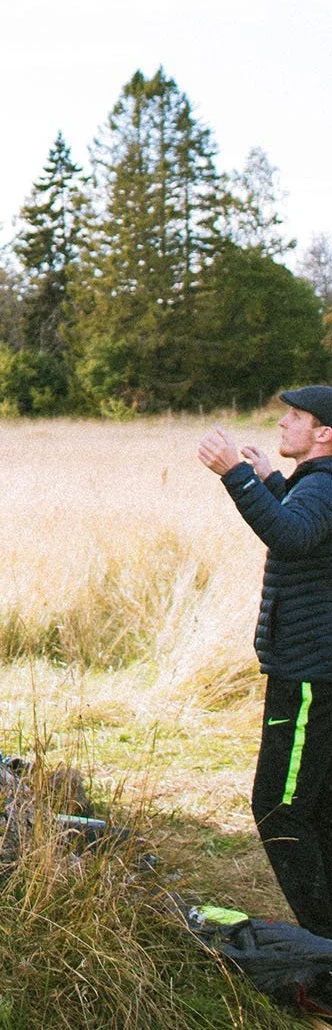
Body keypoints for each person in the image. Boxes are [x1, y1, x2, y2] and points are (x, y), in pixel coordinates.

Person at [199, 389, 332, 939]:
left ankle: (322, 949)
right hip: (315, 670)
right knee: (318, 808)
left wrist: (238, 476)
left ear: (324, 433)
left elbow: (293, 535)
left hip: (308, 676)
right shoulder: (315, 484)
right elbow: (308, 528)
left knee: (279, 810)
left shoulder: (323, 483)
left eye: (296, 416)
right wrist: (273, 482)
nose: (283, 421)